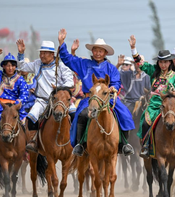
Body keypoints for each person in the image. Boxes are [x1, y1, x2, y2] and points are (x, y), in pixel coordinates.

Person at [58, 29, 135, 157]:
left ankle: (124, 144)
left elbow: (115, 81)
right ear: (92, 52)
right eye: (95, 50)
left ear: (105, 53)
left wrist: (113, 88)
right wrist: (61, 43)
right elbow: (68, 59)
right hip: (89, 99)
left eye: (100, 51)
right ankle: (80, 144)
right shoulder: (84, 64)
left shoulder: (110, 68)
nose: (97, 53)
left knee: (125, 114)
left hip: (107, 99)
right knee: (82, 115)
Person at [130, 48, 175, 158]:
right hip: (154, 105)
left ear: (170, 62)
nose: (163, 65)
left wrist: (172, 92)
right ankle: (146, 146)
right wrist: (133, 49)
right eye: (161, 62)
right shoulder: (153, 71)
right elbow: (141, 64)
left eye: (165, 62)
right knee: (145, 123)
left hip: (170, 105)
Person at [16, 40, 74, 153]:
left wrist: (59, 90)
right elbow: (22, 67)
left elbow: (69, 82)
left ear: (52, 54)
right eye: (41, 53)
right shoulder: (37, 64)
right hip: (42, 101)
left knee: (74, 113)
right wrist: (21, 54)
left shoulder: (61, 66)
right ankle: (33, 141)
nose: (42, 55)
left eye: (45, 53)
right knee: (31, 116)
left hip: (60, 101)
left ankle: (77, 141)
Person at [0, 49, 29, 138]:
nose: (10, 68)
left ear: (15, 67)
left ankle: (28, 148)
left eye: (13, 65)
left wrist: (17, 104)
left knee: (28, 125)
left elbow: (24, 94)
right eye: (8, 66)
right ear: (4, 66)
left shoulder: (20, 79)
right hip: (0, 107)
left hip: (15, 107)